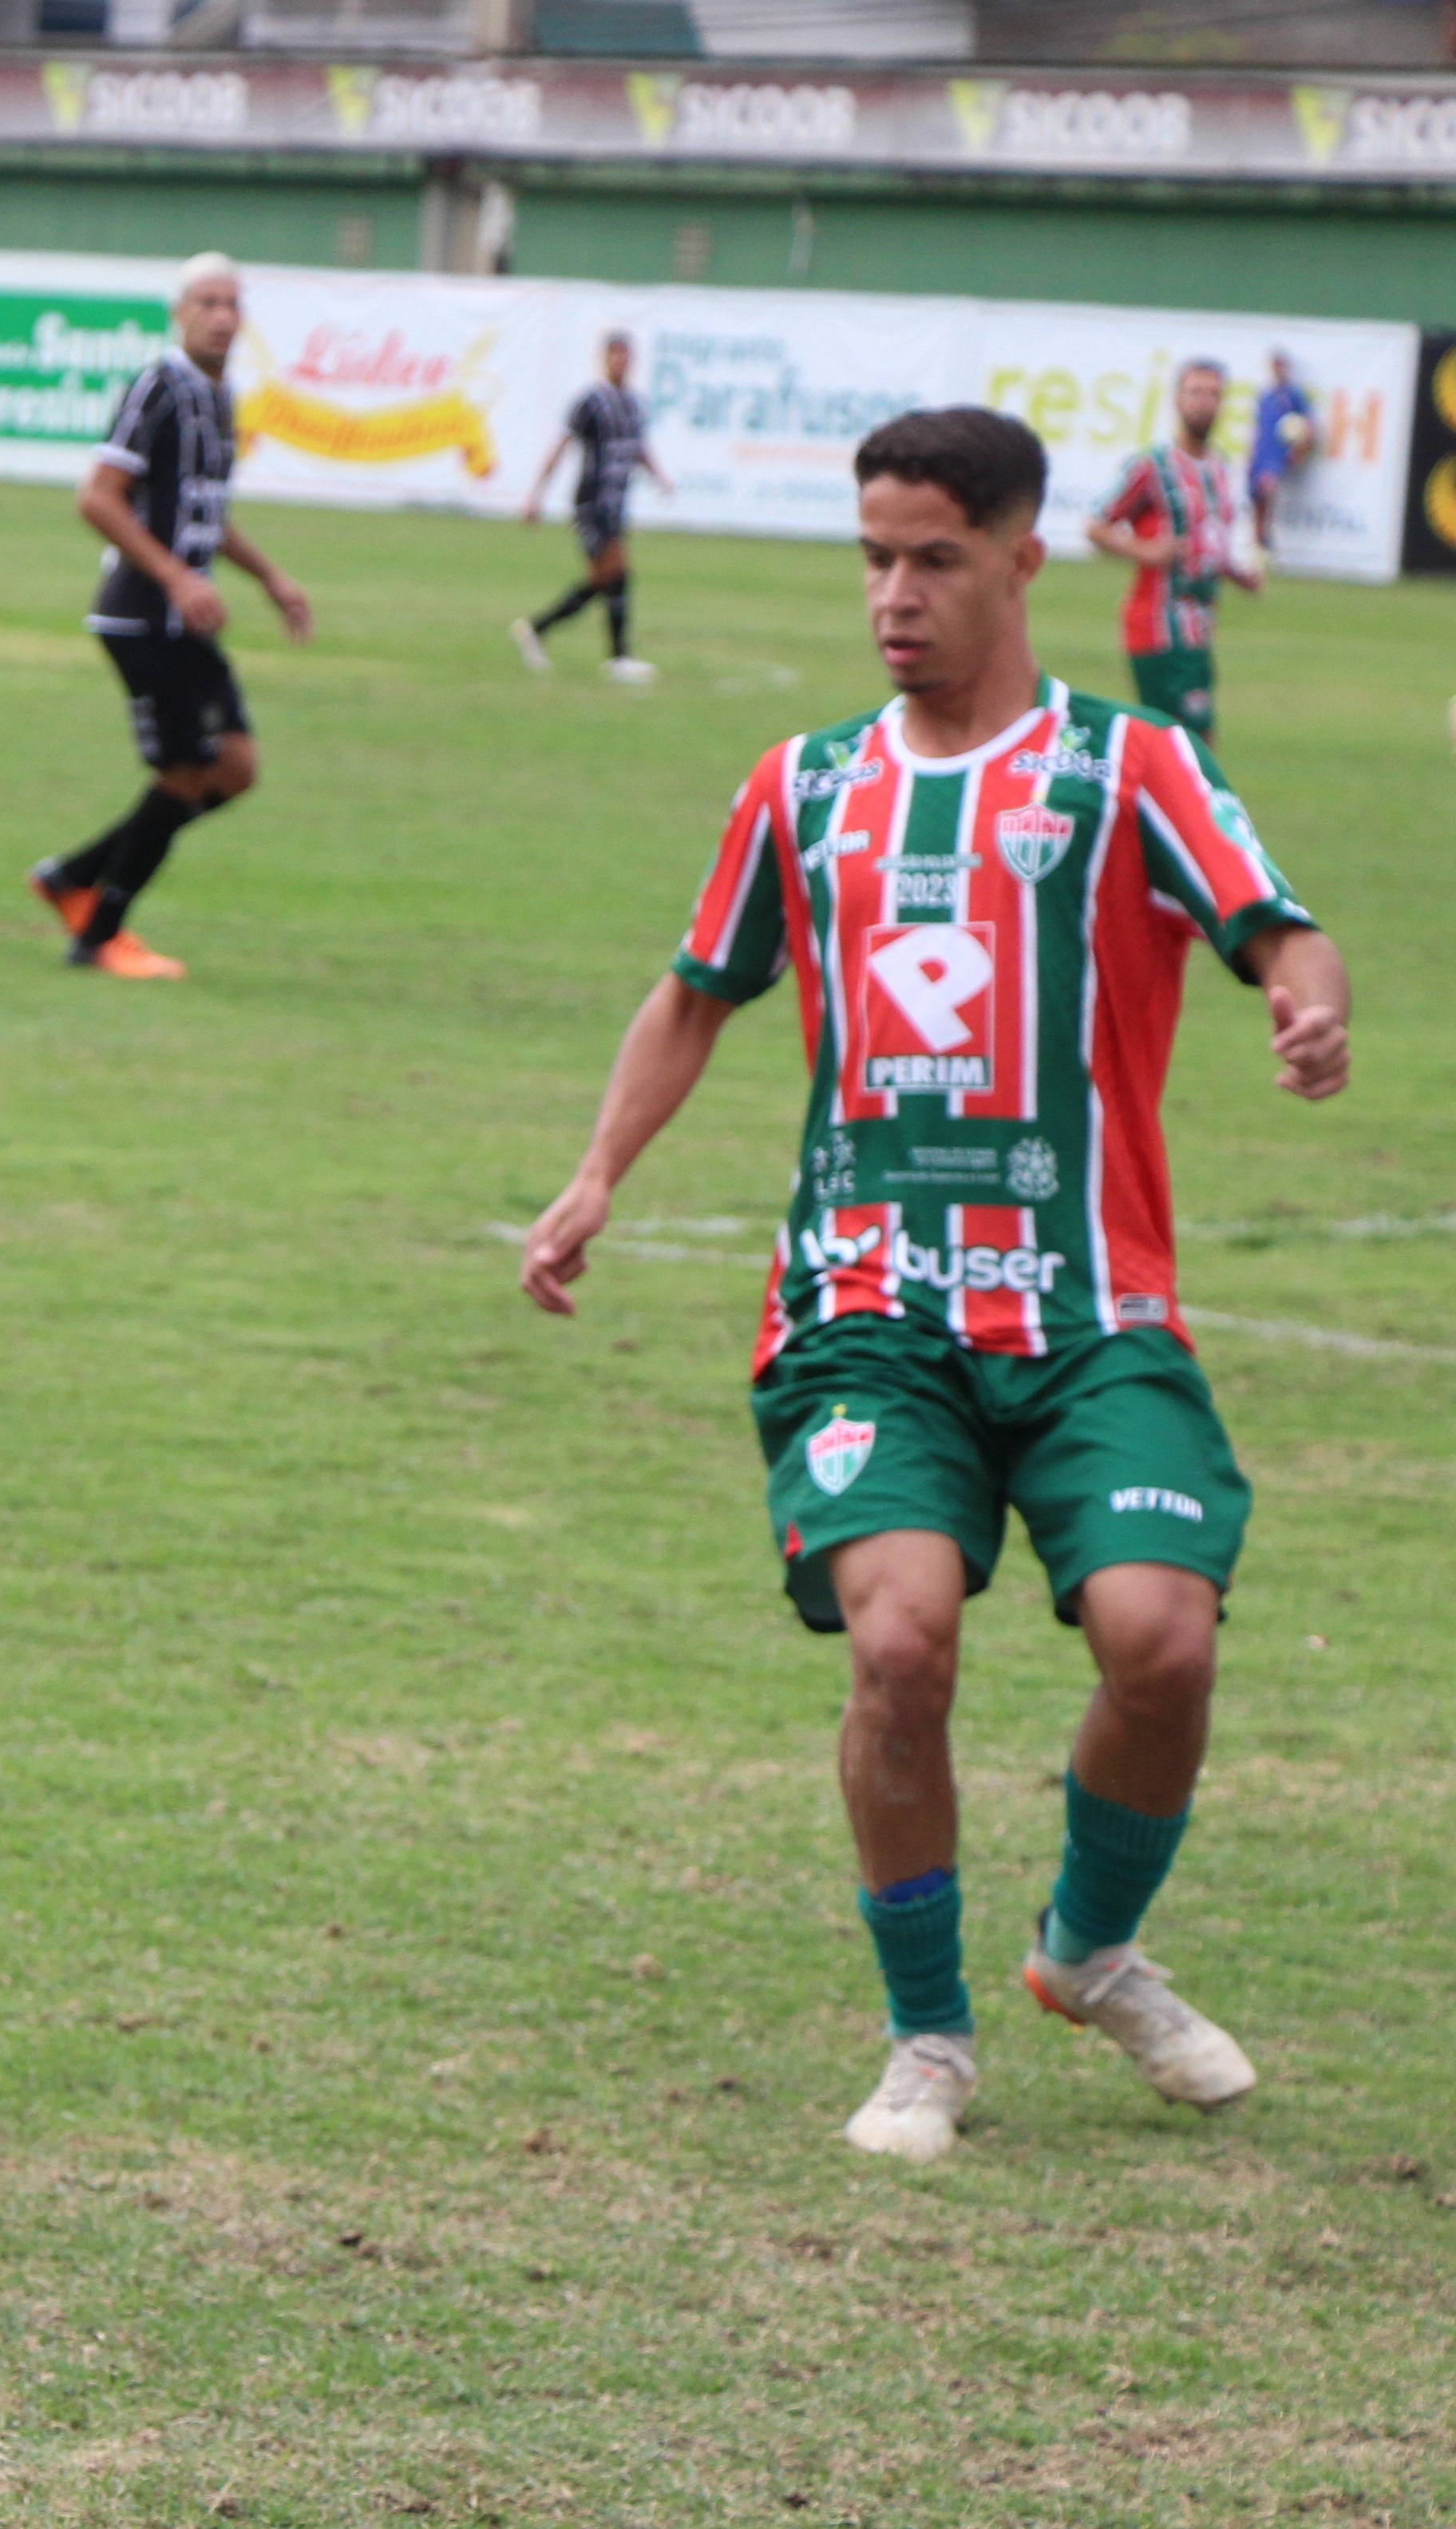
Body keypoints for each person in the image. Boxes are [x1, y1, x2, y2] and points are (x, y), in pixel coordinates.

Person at [516, 407, 1348, 2166]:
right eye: (871, 560)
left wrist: (1302, 995)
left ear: (1020, 559)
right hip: (863, 1312)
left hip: (1081, 1310)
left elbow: (1276, 922)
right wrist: (596, 1174)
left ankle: (1086, 1948)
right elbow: (693, 992)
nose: (891, 596)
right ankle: (926, 2042)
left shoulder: (1127, 771)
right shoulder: (803, 785)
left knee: (1160, 1639)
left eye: (931, 560)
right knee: (896, 1645)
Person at [27, 251, 311, 983]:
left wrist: (271, 578)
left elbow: (204, 516)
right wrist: (175, 578)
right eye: (206, 303)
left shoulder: (221, 398)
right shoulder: (157, 385)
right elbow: (97, 497)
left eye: (230, 304)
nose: (220, 316)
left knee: (235, 768)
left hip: (190, 616)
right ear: (179, 312)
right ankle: (100, 933)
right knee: (185, 773)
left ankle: (74, 877)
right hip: (141, 616)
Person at [1085, 358, 1260, 748]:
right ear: (1177, 400)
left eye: (1213, 394)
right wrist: (1144, 550)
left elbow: (1211, 543)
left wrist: (1238, 572)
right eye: (1195, 392)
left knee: (1186, 748)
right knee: (1187, 747)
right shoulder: (1153, 467)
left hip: (1199, 628)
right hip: (1158, 626)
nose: (1204, 402)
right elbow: (1096, 525)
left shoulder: (1220, 469)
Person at [510, 330, 672, 685]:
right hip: (591, 502)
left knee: (606, 579)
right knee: (616, 572)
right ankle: (618, 657)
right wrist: (535, 496)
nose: (621, 362)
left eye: (626, 356)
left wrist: (659, 476)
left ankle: (538, 629)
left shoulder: (633, 404)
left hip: (617, 502)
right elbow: (561, 446)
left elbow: (638, 447)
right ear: (604, 359)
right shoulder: (590, 402)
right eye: (614, 355)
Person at [1246, 349, 1313, 555]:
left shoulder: (1293, 395)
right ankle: (1258, 543)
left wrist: (1299, 450)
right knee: (1256, 497)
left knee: (1267, 490)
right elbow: (1258, 426)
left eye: (1280, 365)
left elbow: (1307, 426)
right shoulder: (1265, 395)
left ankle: (1264, 541)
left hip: (1276, 456)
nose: (1277, 370)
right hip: (1260, 454)